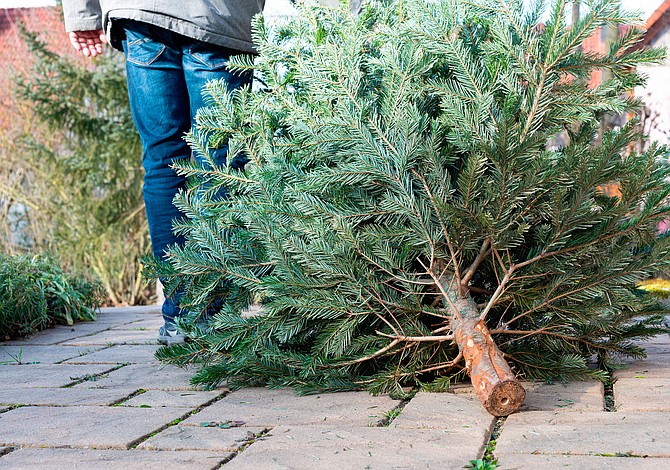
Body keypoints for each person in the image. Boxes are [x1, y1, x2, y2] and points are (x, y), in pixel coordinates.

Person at [62, 0, 265, 345]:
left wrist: (82, 13)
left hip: (143, 13)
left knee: (163, 161)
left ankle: (181, 316)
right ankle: (208, 315)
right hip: (218, 16)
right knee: (219, 162)